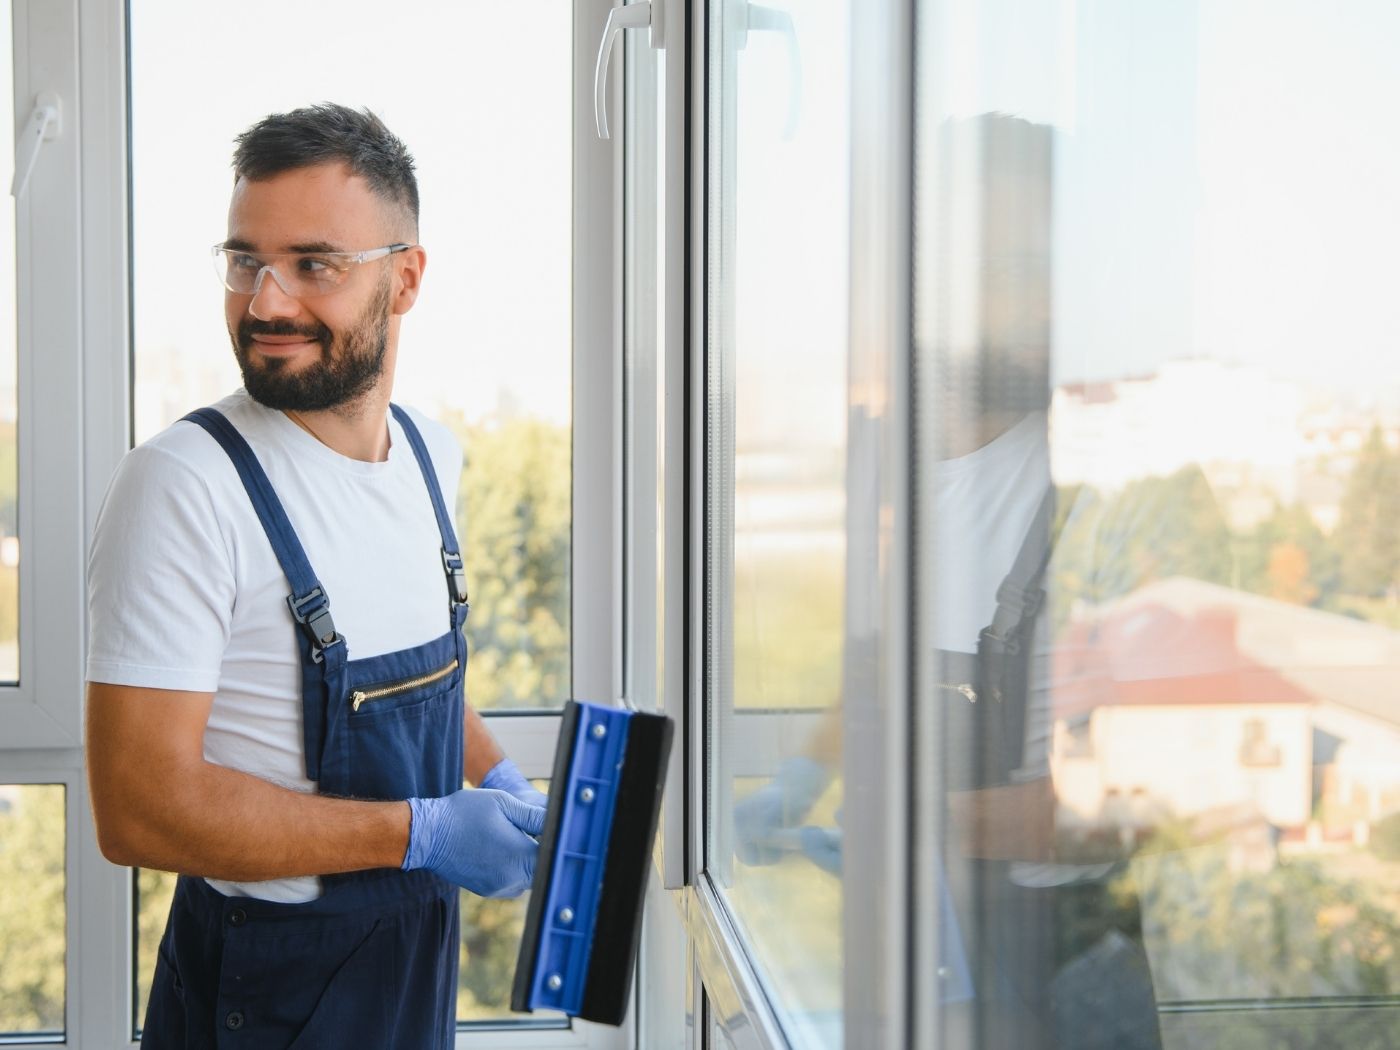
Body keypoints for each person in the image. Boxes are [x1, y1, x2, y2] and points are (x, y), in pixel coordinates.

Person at [85, 104, 547, 1049]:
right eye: (244, 261)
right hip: (267, 996)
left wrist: (496, 774)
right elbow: (137, 809)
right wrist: (419, 834)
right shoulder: (185, 485)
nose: (265, 301)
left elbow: (409, 683)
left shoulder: (431, 459)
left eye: (312, 264)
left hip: (414, 972)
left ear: (405, 278)